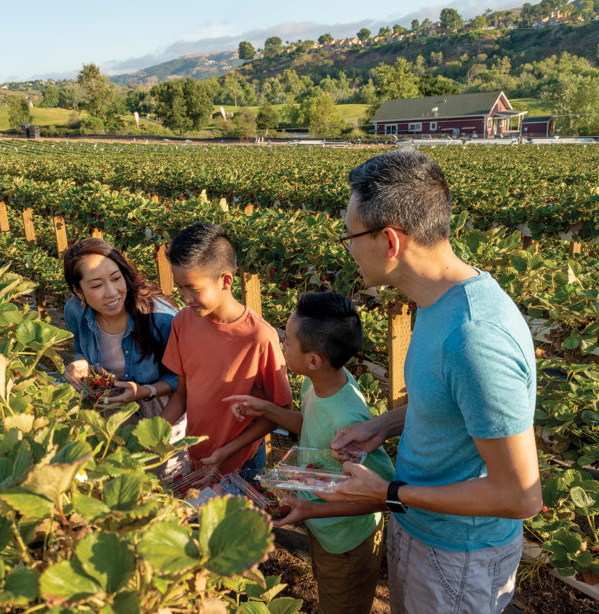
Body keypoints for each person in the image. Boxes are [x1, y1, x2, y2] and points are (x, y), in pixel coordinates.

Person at [324, 150, 542, 614]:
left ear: (389, 241)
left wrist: (386, 493)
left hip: (457, 557)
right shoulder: (437, 301)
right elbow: (452, 404)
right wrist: (383, 426)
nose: (347, 248)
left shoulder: (474, 337)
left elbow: (520, 496)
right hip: (424, 529)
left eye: (350, 236)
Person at [225, 292, 394, 614]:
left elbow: (379, 495)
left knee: (341, 605)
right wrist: (265, 408)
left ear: (314, 359)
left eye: (287, 342)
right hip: (325, 527)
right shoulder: (319, 382)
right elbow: (309, 425)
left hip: (345, 540)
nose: (281, 346)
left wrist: (310, 511)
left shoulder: (348, 417)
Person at [159, 222, 293, 481]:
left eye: (194, 289)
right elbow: (182, 394)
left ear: (226, 281)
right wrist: (153, 433)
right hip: (198, 455)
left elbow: (280, 411)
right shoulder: (182, 322)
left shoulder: (259, 337)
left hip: (244, 462)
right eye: (180, 288)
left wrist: (225, 452)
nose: (185, 298)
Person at [62, 238, 188, 476]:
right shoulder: (75, 311)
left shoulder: (161, 319)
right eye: (97, 285)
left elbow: (185, 380)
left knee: (163, 491)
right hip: (111, 417)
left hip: (160, 416)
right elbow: (80, 347)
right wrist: (80, 362)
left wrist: (145, 391)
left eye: (116, 278)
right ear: (79, 291)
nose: (111, 292)